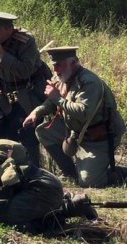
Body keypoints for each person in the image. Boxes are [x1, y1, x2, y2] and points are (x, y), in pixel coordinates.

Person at [23, 46, 125, 187]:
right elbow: (51, 102)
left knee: (89, 182)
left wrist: (57, 98)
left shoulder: (89, 82)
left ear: (73, 63)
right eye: (53, 65)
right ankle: (71, 173)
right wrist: (37, 112)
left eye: (59, 65)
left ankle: (118, 173)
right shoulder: (62, 78)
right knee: (44, 131)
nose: (55, 69)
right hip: (75, 132)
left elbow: (83, 113)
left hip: (99, 137)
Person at [0, 11, 49, 167]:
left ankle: (33, 170)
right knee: (3, 132)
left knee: (28, 134)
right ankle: (8, 169)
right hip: (5, 93)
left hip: (29, 92)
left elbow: (25, 70)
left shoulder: (25, 42)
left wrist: (2, 54)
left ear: (9, 29)